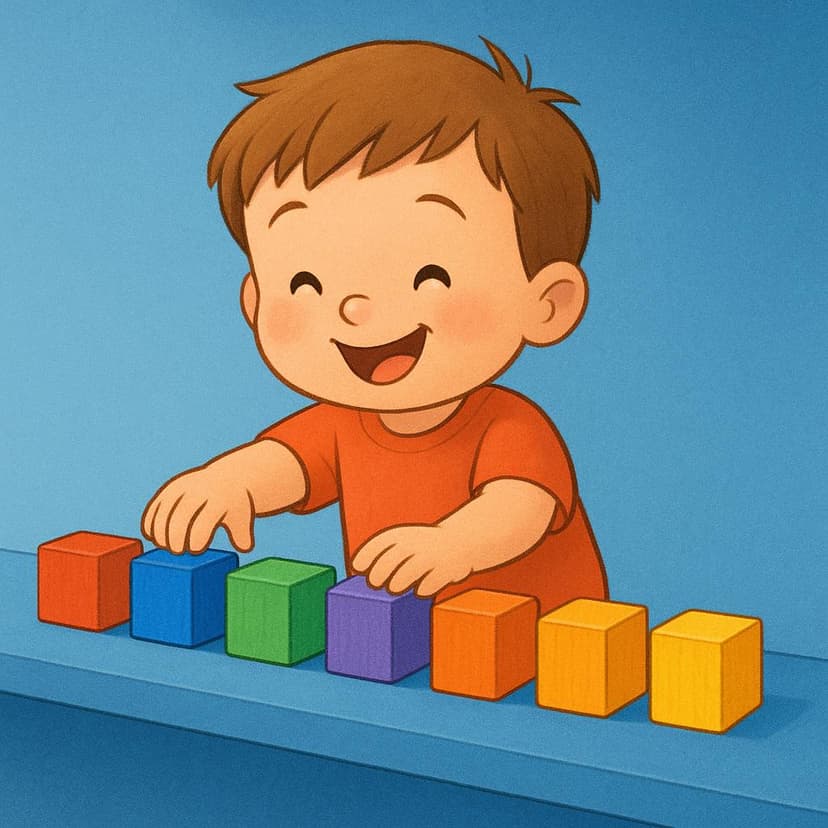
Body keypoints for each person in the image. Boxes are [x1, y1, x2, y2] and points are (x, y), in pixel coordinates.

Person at [141, 38, 608, 613]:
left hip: (544, 652)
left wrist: (454, 545)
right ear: (255, 302)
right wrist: (224, 483)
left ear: (547, 303)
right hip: (404, 645)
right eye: (305, 281)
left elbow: (520, 505)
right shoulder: (341, 424)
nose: (355, 309)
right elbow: (285, 464)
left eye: (428, 274)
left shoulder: (510, 427)